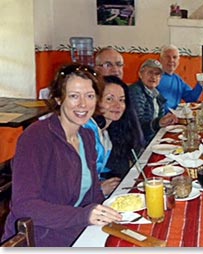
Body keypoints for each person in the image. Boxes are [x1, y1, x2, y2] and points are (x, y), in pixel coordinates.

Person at [1, 64, 122, 246]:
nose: (83, 104)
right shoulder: (36, 137)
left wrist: (106, 209)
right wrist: (84, 215)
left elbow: (91, 193)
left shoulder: (87, 136)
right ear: (58, 98)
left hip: (76, 230)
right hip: (42, 238)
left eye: (89, 96)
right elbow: (24, 205)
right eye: (74, 96)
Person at [94, 47, 146, 178]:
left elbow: (136, 140)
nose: (115, 70)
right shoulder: (90, 125)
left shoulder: (124, 93)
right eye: (108, 65)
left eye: (118, 65)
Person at [83, 75, 128, 195]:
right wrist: (99, 189)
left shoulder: (106, 135)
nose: (117, 105)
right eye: (109, 99)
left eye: (121, 100)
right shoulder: (86, 132)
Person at [129, 59, 177, 142]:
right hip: (139, 144)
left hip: (153, 139)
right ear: (140, 74)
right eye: (150, 72)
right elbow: (137, 126)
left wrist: (166, 119)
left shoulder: (156, 94)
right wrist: (159, 123)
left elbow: (160, 118)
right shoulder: (135, 92)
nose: (153, 77)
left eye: (157, 74)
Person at [158, 44, 203, 112]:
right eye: (167, 57)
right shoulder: (154, 78)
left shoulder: (177, 79)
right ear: (160, 60)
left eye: (174, 57)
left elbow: (191, 98)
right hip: (160, 119)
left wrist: (200, 83)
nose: (171, 60)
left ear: (178, 61)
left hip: (174, 118)